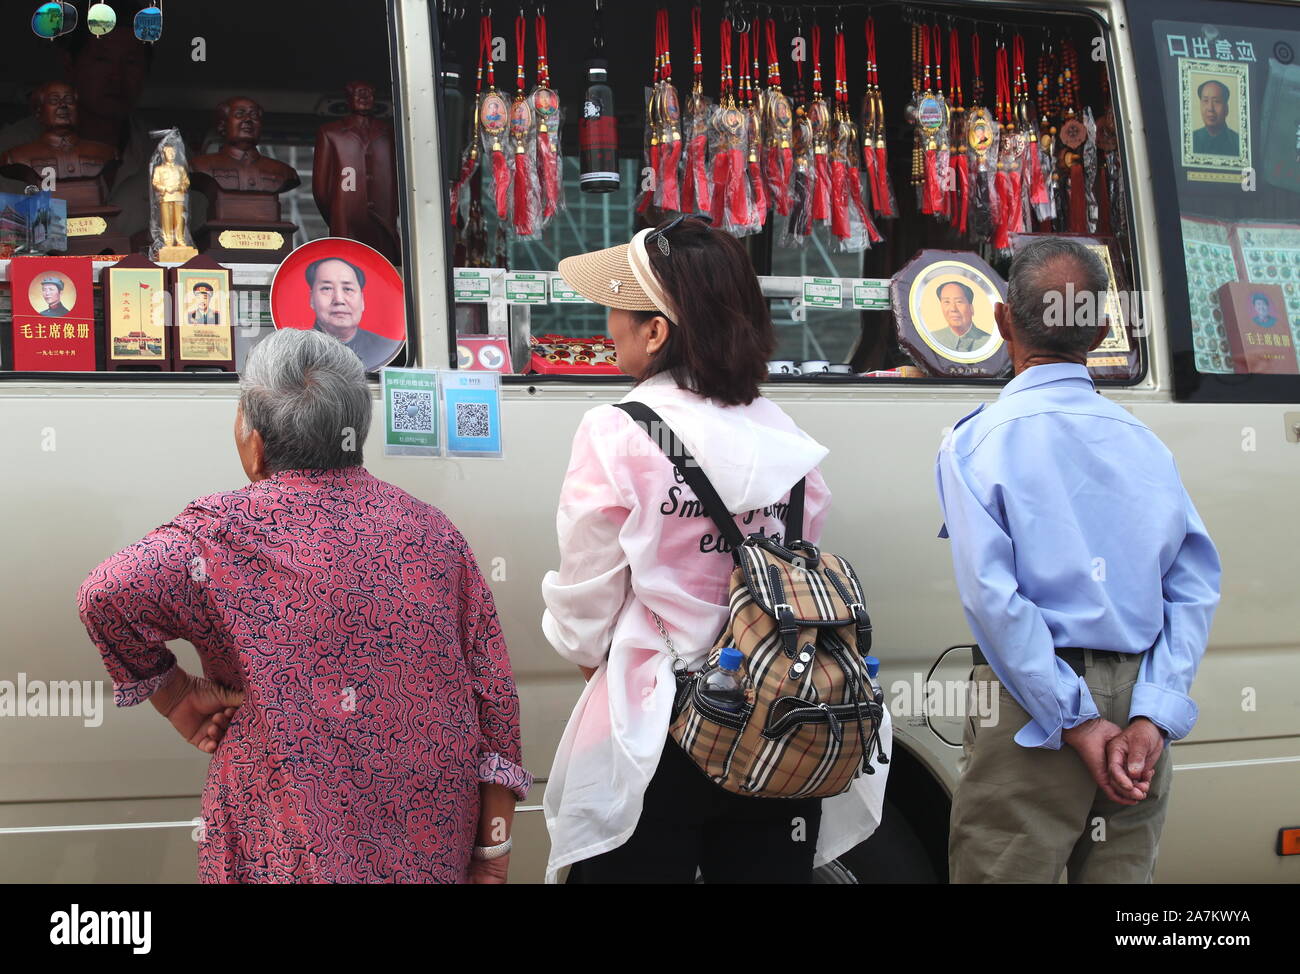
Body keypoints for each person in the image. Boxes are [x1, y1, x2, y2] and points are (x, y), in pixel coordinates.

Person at [77, 328, 530, 883]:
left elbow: (104, 595)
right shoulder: (431, 532)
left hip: (284, 847)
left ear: (256, 439)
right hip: (429, 847)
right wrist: (492, 852)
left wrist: (174, 695)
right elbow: (494, 698)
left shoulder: (218, 536)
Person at [541, 216, 886, 884]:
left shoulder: (619, 430)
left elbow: (586, 596)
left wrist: (592, 660)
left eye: (618, 307)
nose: (606, 322)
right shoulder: (786, 436)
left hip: (659, 722)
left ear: (656, 330)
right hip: (780, 719)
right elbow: (795, 572)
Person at [937, 237, 1221, 884]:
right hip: (1138, 696)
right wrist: (1152, 714)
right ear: (1098, 332)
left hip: (1033, 708)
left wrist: (1075, 721)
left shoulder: (976, 442)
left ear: (1003, 321)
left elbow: (994, 601)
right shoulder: (1144, 444)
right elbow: (1195, 585)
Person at [306, 256, 401, 369]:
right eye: (327, 288)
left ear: (362, 300)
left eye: (348, 289)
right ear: (312, 298)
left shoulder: (387, 348)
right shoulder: (297, 350)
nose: (339, 300)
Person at [929, 281, 991, 353]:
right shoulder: (933, 339)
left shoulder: (988, 342)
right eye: (947, 302)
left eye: (959, 302)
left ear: (971, 308)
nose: (953, 309)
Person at [1191, 80, 1240, 157]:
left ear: (1226, 109)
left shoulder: (1238, 143)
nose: (1210, 108)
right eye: (1205, 101)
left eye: (1216, 101)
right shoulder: (1190, 141)